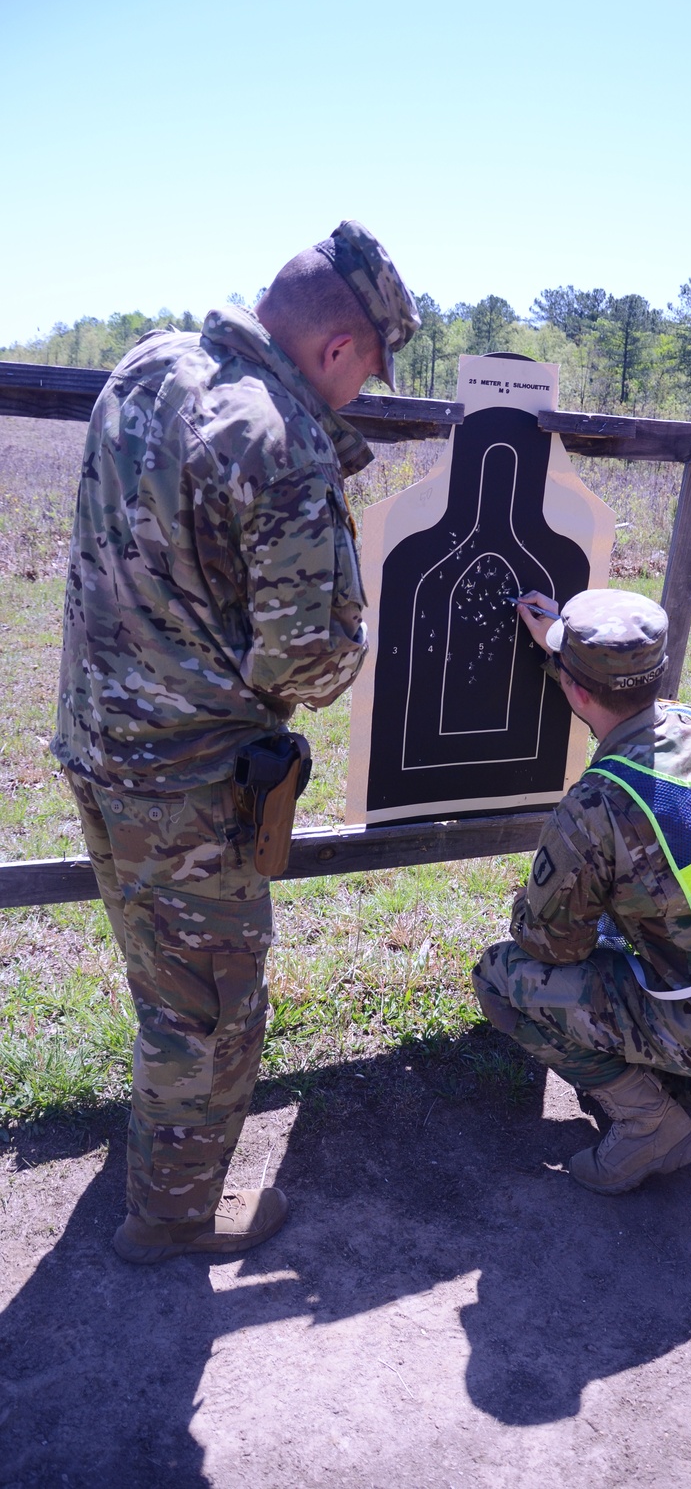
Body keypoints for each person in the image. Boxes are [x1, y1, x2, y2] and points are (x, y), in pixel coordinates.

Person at [52, 221, 420, 1262]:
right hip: (191, 780)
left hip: (99, 745)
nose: (361, 396)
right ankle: (171, 1217)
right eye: (370, 373)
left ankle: (159, 1155)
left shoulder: (148, 363)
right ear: (339, 348)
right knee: (212, 1012)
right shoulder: (283, 439)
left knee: (161, 981)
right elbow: (308, 658)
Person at [473, 588, 691, 1196]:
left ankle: (649, 1122)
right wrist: (568, 644)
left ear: (576, 691)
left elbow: (548, 946)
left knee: (503, 975)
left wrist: (534, 906)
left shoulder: (597, 805)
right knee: (630, 935)